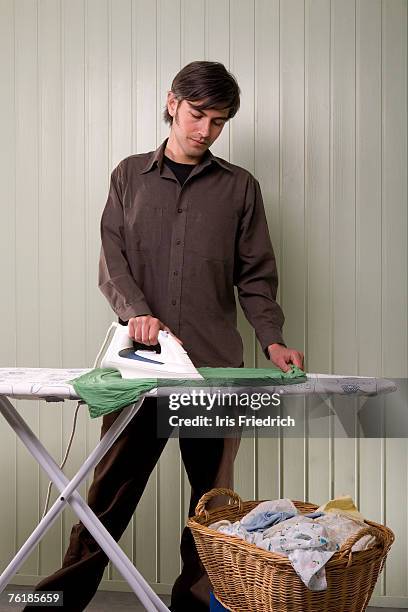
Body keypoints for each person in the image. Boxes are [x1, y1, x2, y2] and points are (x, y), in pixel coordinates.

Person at [27, 61, 304, 611]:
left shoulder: (240, 188)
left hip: (213, 372)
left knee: (211, 507)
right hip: (144, 368)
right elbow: (113, 259)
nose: (205, 130)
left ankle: (194, 606)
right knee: (106, 496)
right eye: (198, 114)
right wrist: (137, 314)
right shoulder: (128, 176)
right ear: (173, 102)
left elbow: (256, 278)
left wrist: (272, 339)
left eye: (219, 121)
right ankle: (58, 603)